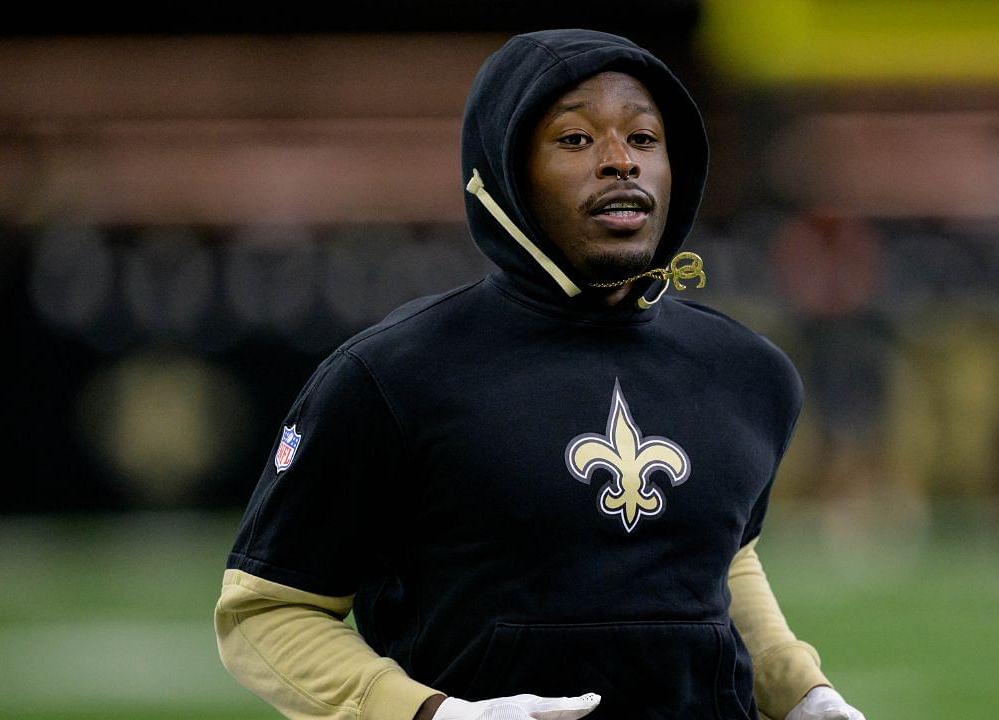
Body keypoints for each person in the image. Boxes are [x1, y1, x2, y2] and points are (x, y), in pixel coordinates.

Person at [215, 29, 866, 720]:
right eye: (576, 140)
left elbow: (721, 558)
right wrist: (431, 714)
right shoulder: (391, 375)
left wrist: (801, 691)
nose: (621, 163)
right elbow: (266, 612)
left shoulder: (749, 372)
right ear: (504, 170)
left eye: (644, 139)